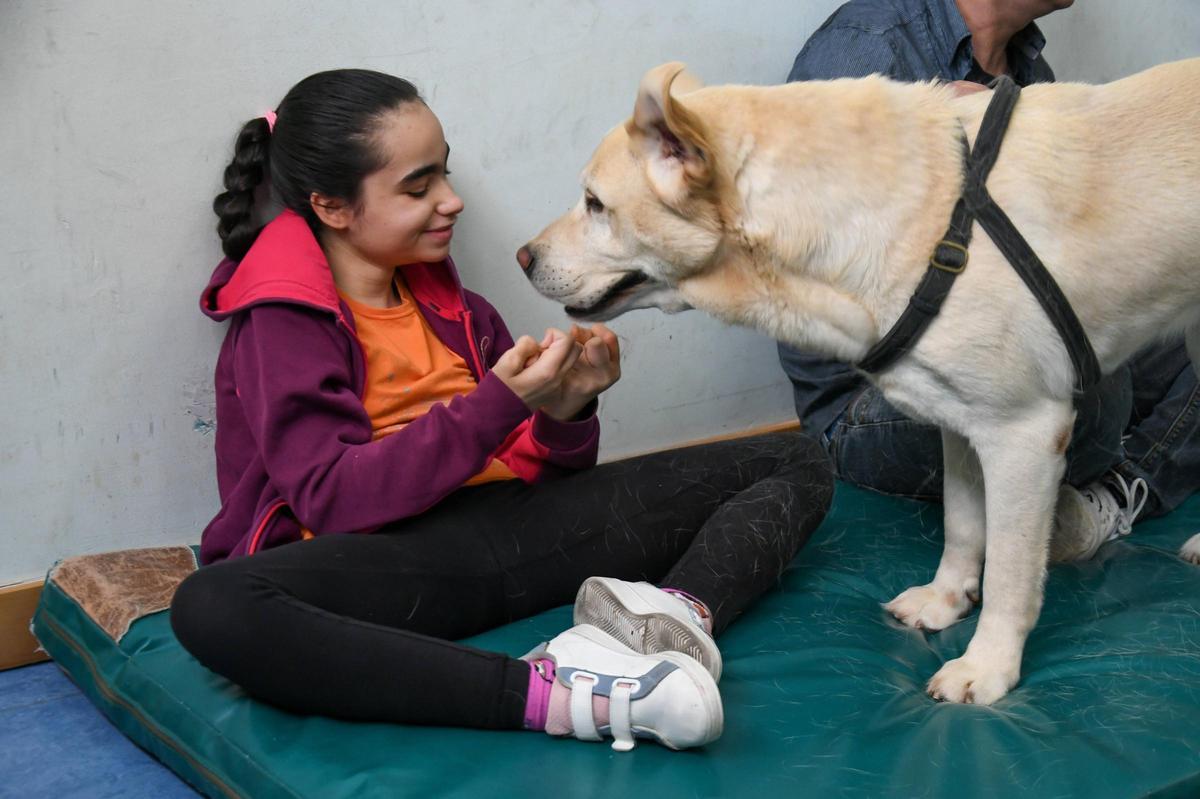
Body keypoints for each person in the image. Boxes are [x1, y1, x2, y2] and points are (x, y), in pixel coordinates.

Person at [170, 69, 835, 752]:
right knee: (212, 603)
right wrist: (499, 400)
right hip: (393, 565)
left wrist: (568, 407)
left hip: (513, 535)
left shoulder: (456, 306)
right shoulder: (283, 320)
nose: (452, 201)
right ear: (333, 207)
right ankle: (562, 698)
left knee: (795, 457)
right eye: (418, 186)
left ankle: (660, 624)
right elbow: (334, 498)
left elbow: (548, 476)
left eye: (445, 175)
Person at [777, 0, 1200, 562]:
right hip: (869, 398)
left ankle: (1113, 497)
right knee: (1082, 384)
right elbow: (805, 254)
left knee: (1175, 321)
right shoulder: (867, 46)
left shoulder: (1029, 68)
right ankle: (1116, 476)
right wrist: (937, 139)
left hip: (1007, 337)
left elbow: (1051, 254)